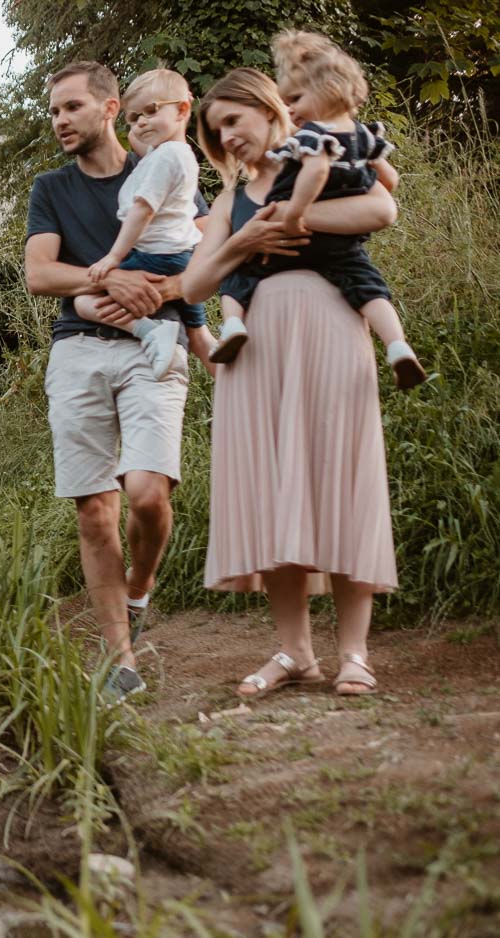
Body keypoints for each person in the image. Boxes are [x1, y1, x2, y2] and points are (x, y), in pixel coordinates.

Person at [183, 67, 399, 698]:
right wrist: (246, 238)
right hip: (256, 349)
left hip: (332, 327)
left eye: (234, 121)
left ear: (268, 109)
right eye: (216, 130)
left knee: (343, 476)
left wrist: (298, 219)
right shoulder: (229, 201)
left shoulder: (323, 158)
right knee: (276, 491)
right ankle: (295, 653)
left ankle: (355, 652)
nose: (227, 137)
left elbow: (383, 207)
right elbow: (194, 287)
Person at [25, 61, 201, 701]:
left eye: (70, 107)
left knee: (149, 494)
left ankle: (138, 593)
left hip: (157, 344)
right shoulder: (51, 188)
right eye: (53, 111)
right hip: (78, 350)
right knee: (96, 510)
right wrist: (105, 280)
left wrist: (157, 289)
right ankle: (121, 661)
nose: (60, 121)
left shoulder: (167, 161)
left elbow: (208, 258)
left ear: (110, 107)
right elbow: (41, 276)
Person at [211, 31, 427, 390]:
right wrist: (356, 186)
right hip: (341, 243)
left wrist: (295, 214)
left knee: (241, 273)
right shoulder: (364, 135)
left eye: (295, 99)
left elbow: (316, 172)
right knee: (368, 286)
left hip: (290, 232)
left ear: (327, 91)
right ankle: (398, 346)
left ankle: (232, 324)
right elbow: (389, 179)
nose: (290, 109)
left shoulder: (311, 136)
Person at [78, 68, 216, 377]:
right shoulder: (173, 154)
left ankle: (149, 330)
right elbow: (143, 145)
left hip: (155, 257)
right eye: (134, 116)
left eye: (151, 111)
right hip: (182, 257)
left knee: (85, 301)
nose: (141, 122)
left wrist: (114, 257)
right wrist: (148, 121)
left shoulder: (165, 159)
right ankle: (240, 387)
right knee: (200, 335)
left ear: (182, 110)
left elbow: (142, 211)